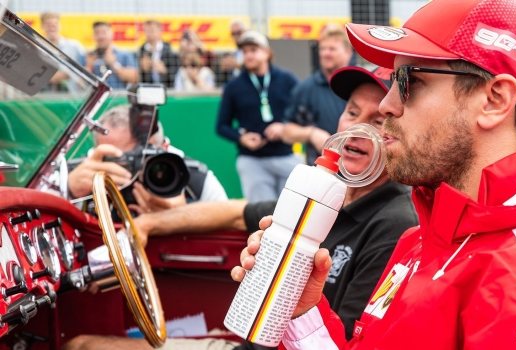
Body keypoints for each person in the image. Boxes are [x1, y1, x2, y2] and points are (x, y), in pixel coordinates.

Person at [234, 0, 516, 349]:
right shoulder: (429, 232)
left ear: (494, 100)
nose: (388, 105)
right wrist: (304, 312)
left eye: (409, 81)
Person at [63, 66, 418, 350]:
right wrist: (149, 225)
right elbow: (235, 212)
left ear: (396, 136)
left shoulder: (395, 222)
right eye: (351, 112)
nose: (356, 129)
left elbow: (347, 339)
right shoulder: (324, 196)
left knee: (80, 344)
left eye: (375, 122)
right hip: (246, 340)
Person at [68, 104, 227, 212]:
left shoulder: (196, 181)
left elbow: (229, 225)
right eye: (112, 160)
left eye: (137, 158)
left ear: (163, 149)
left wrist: (183, 216)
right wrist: (69, 191)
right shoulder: (82, 173)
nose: (124, 170)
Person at [215, 31, 299, 202]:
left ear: (267, 52)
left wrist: (284, 128)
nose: (248, 55)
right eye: (244, 52)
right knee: (262, 214)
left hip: (285, 156)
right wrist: (241, 137)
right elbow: (221, 126)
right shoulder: (234, 86)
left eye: (253, 50)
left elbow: (303, 113)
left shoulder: (287, 80)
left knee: (293, 209)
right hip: (252, 160)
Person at [282, 25, 354, 165]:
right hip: (321, 169)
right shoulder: (306, 88)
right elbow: (286, 132)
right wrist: (311, 133)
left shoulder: (361, 85)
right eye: (322, 49)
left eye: (332, 49)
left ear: (348, 52)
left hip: (360, 171)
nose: (325, 53)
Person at [39, 12, 86, 92]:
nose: (52, 27)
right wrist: (50, 77)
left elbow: (85, 68)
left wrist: (68, 74)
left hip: (72, 95)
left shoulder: (74, 46)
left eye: (55, 24)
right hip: (45, 95)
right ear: (42, 26)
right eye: (48, 24)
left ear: (60, 26)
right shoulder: (38, 48)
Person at [86, 21, 138, 90]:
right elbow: (79, 84)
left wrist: (114, 64)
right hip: (96, 98)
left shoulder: (124, 55)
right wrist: (89, 67)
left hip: (119, 98)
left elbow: (134, 78)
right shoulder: (88, 57)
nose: (101, 36)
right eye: (97, 33)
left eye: (104, 32)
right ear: (93, 36)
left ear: (111, 34)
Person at [139, 20, 179, 88]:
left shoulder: (170, 52)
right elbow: (137, 78)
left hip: (167, 90)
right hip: (147, 90)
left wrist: (164, 71)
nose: (149, 34)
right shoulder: (141, 51)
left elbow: (176, 76)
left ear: (160, 31)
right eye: (146, 31)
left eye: (152, 30)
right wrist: (142, 70)